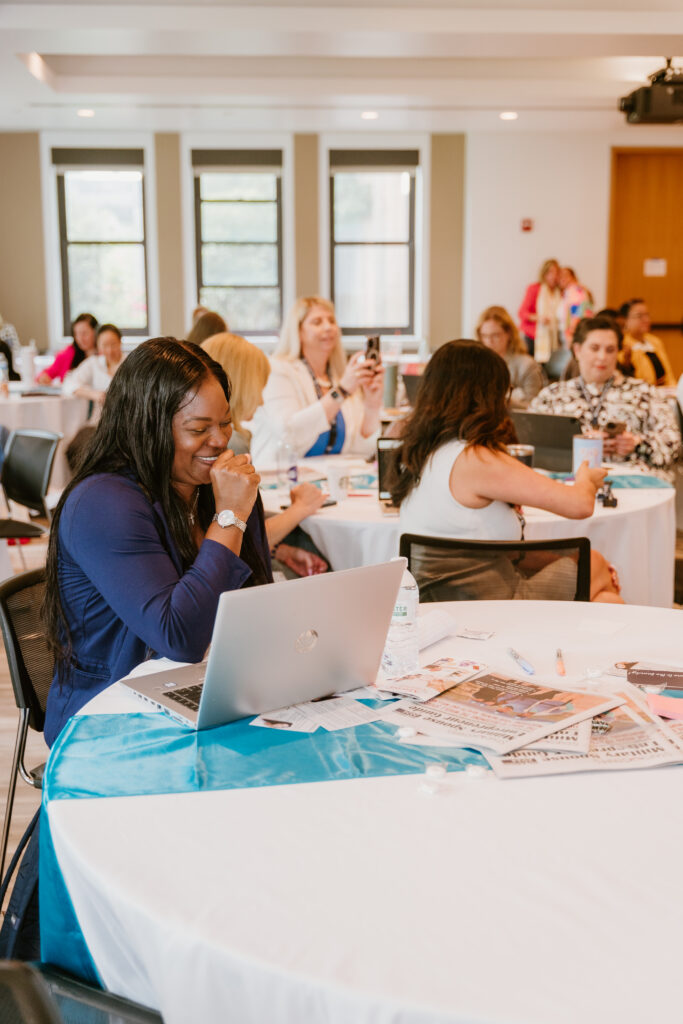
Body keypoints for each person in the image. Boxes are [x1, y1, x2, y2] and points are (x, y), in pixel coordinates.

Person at [43, 337, 272, 748]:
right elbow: (180, 637)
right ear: (146, 425)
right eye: (199, 429)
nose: (220, 441)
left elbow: (257, 605)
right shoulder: (103, 502)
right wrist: (230, 517)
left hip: (203, 694)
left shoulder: (209, 488)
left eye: (225, 423)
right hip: (111, 720)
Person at [390, 340, 622, 603]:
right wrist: (586, 478)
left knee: (606, 600)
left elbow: (492, 549)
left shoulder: (420, 451)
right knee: (595, 564)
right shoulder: (475, 459)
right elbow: (580, 504)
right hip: (492, 606)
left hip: (450, 602)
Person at [202, 331, 329, 577]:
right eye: (258, 388)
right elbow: (242, 536)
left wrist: (282, 551)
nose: (261, 400)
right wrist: (300, 508)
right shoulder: (231, 445)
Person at [531, 315, 681, 479]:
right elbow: (529, 442)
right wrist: (583, 443)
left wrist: (638, 443)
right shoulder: (553, 395)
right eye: (595, 348)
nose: (602, 357)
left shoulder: (643, 392)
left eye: (610, 350)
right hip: (567, 484)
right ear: (577, 350)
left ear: (618, 352)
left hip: (634, 484)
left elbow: (673, 444)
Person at [250, 296, 384, 465]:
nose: (328, 327)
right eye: (317, 322)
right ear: (298, 331)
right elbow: (289, 431)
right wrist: (341, 392)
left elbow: (361, 451)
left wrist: (372, 403)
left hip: (329, 482)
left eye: (331, 321)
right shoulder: (277, 370)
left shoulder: (340, 376)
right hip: (280, 478)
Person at [475, 305, 544, 409]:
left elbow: (534, 409)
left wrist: (504, 400)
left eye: (495, 335)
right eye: (484, 336)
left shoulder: (527, 366)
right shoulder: (476, 365)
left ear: (509, 333)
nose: (489, 341)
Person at [62, 323, 126, 417]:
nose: (109, 350)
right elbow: (69, 384)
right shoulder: (94, 363)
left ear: (120, 342)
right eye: (104, 345)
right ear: (98, 346)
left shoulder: (130, 363)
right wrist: (93, 394)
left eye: (113, 344)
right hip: (99, 420)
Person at [619, 299, 675, 386]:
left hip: (664, 392)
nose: (646, 319)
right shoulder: (622, 344)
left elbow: (669, 375)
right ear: (625, 320)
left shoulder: (655, 341)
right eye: (639, 316)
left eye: (647, 315)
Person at [517, 259, 561, 362]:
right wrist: (539, 318)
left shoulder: (559, 292)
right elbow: (522, 313)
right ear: (544, 273)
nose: (553, 276)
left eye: (556, 272)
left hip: (552, 335)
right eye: (550, 272)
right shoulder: (535, 289)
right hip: (534, 335)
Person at [36, 313, 97, 385]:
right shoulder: (67, 354)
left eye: (84, 333)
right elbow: (47, 374)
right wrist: (43, 378)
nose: (80, 339)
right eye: (77, 334)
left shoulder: (104, 355)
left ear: (95, 332)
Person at [557, 267, 593, 346]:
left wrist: (570, 332)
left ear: (572, 277)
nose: (562, 279)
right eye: (560, 276)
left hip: (574, 333)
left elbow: (578, 312)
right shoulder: (569, 292)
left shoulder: (575, 290)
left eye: (565, 276)